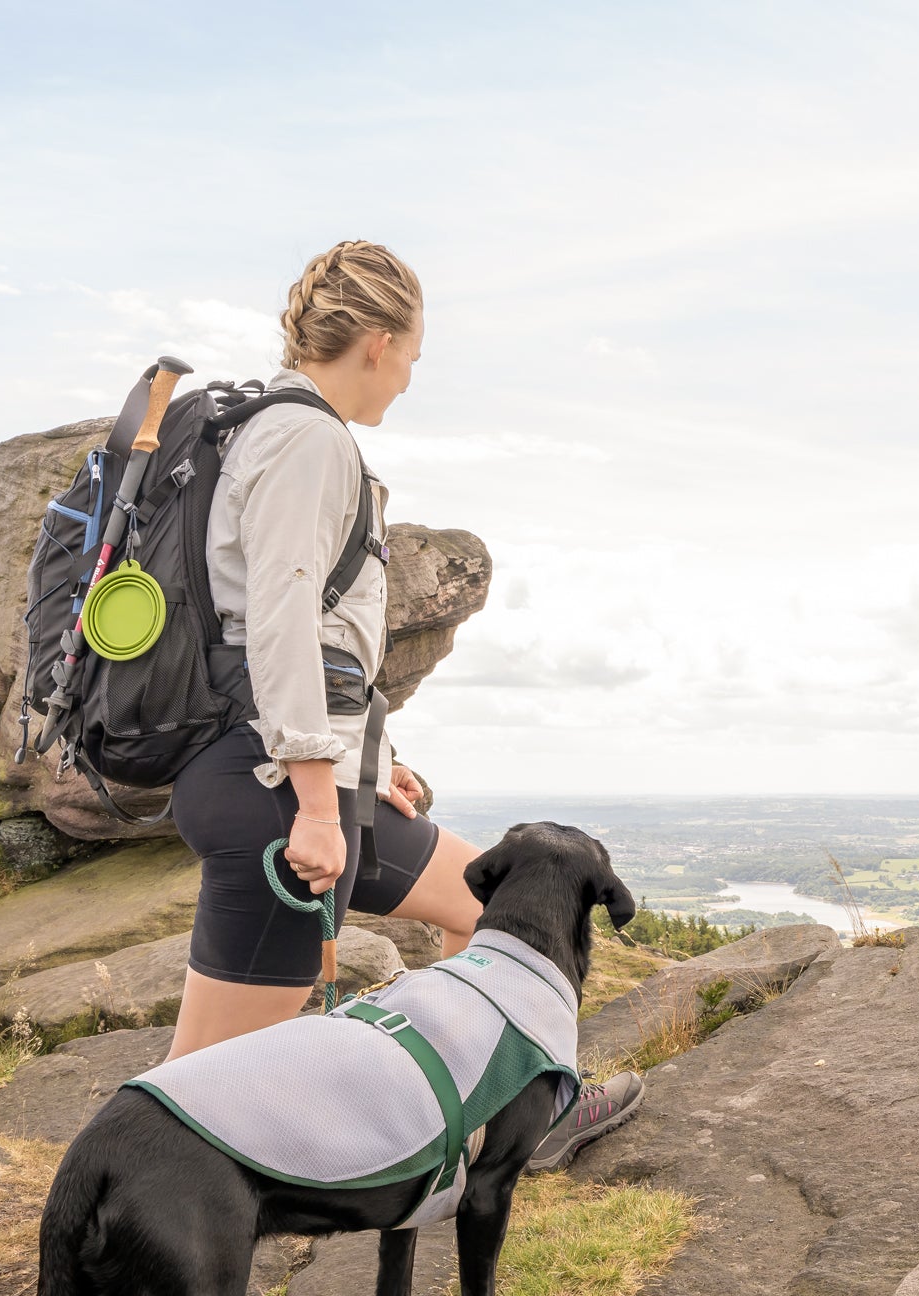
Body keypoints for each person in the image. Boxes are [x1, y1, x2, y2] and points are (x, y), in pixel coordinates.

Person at [165, 240, 642, 1170]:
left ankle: (527, 1113)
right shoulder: (306, 440)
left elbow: (325, 648)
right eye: (416, 356)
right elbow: (281, 625)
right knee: (195, 1093)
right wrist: (312, 805)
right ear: (378, 343)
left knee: (499, 914)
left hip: (329, 785)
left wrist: (371, 769)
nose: (412, 378)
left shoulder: (282, 434)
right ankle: (124, 1295)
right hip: (276, 796)